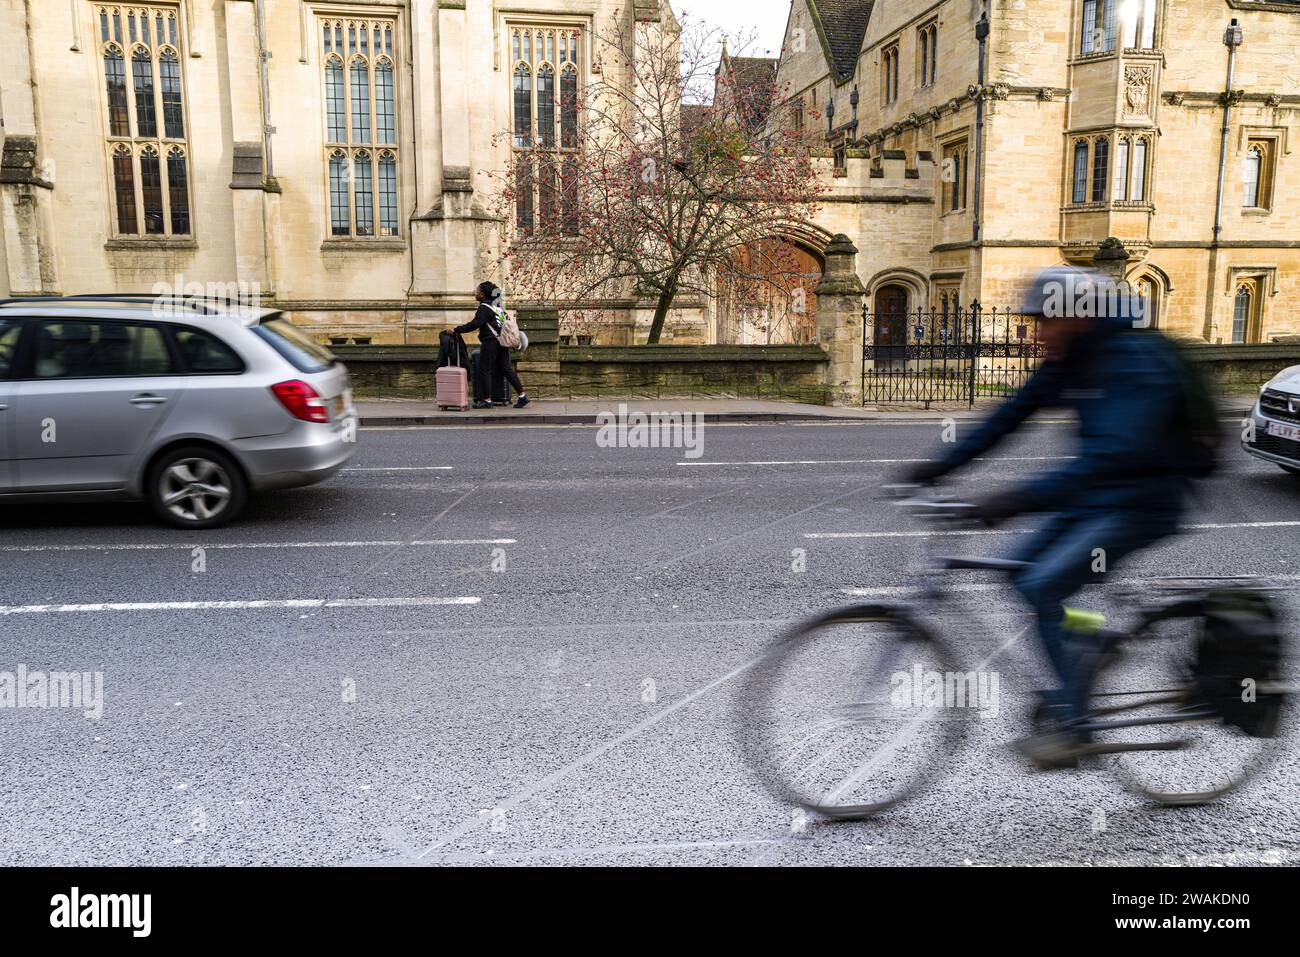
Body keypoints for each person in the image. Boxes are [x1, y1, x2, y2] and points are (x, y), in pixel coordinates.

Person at [904, 266, 1215, 768]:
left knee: (1042, 586)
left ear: (1079, 318)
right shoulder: (1072, 359)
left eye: (1046, 322)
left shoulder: (1133, 362)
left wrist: (1012, 499)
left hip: (1143, 501)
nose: (1038, 334)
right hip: (1097, 498)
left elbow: (1107, 459)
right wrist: (935, 468)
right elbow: (1010, 417)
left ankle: (1075, 727)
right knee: (1023, 576)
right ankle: (1086, 645)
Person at [453, 282, 529, 409]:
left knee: (485, 370)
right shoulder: (499, 308)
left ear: (482, 294)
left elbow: (476, 323)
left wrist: (456, 330)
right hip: (502, 342)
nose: (475, 293)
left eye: (477, 291)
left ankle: (487, 401)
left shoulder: (484, 307)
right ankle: (522, 396)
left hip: (490, 342)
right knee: (506, 369)